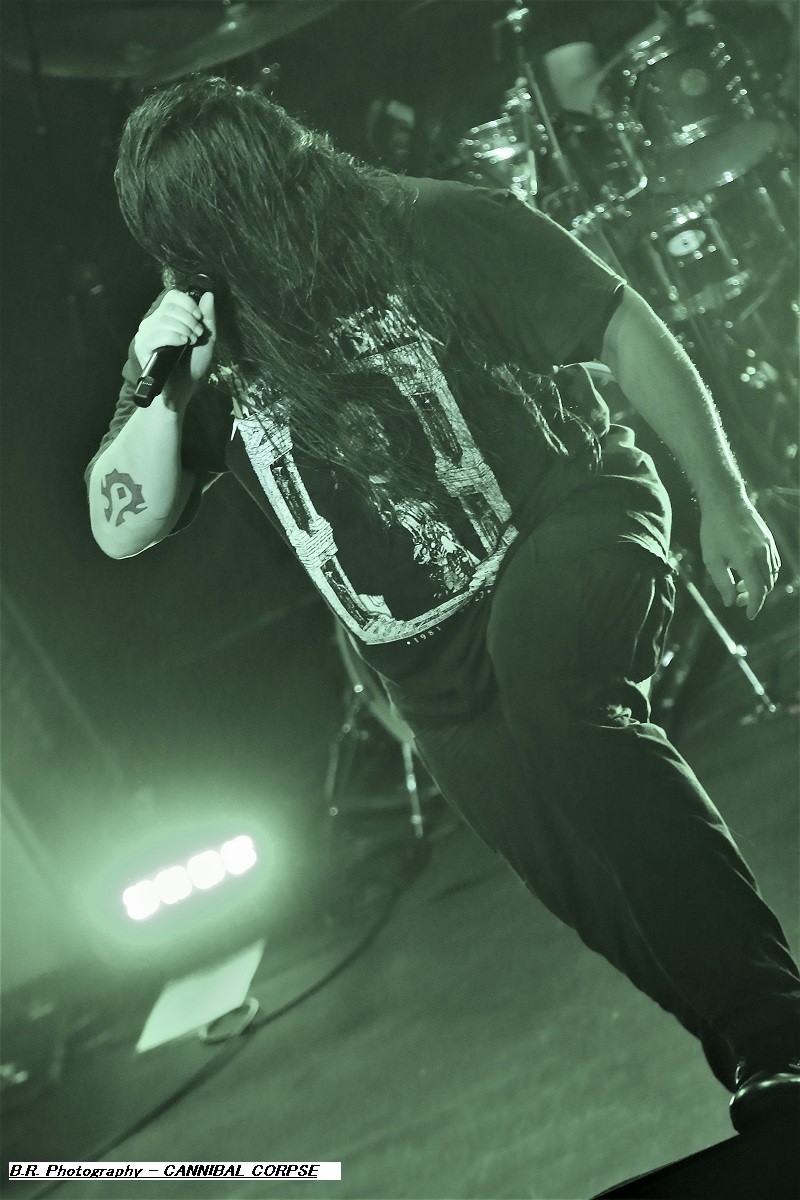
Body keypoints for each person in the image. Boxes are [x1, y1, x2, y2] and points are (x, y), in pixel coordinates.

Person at [86, 77, 799, 1133]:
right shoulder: (197, 348)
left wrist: (725, 502)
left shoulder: (421, 225)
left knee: (554, 694)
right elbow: (120, 525)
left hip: (566, 520)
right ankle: (761, 1064)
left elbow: (621, 325)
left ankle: (780, 1036)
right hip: (427, 665)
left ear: (255, 190)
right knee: (572, 874)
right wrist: (163, 386)